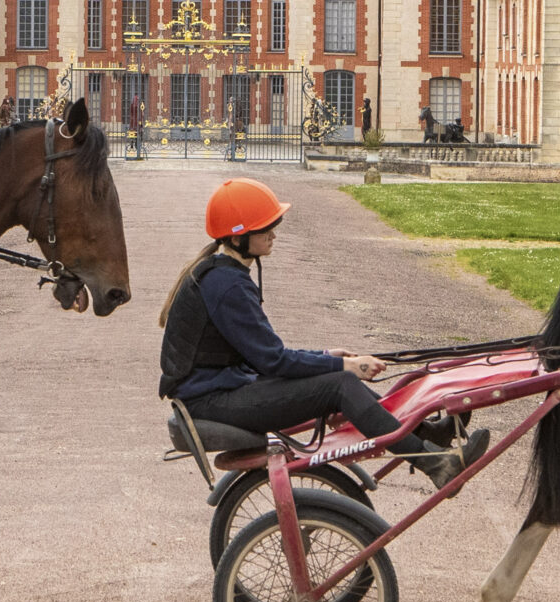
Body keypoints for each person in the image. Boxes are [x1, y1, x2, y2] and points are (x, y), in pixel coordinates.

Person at [158, 178, 486, 488]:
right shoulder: (227, 285)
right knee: (341, 384)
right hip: (211, 402)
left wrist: (327, 357)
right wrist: (344, 367)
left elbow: (267, 356)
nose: (274, 232)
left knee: (338, 379)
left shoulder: (224, 275)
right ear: (237, 237)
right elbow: (273, 361)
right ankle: (437, 465)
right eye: (266, 227)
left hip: (222, 391)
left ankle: (427, 435)